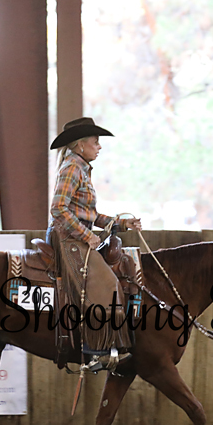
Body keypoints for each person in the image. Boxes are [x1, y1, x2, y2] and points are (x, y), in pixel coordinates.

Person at [48, 117, 142, 370]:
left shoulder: (80, 168)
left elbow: (90, 215)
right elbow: (58, 208)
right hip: (67, 238)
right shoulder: (72, 168)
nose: (99, 147)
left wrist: (122, 223)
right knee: (107, 283)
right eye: (95, 142)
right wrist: (86, 235)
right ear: (80, 145)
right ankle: (97, 350)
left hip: (74, 235)